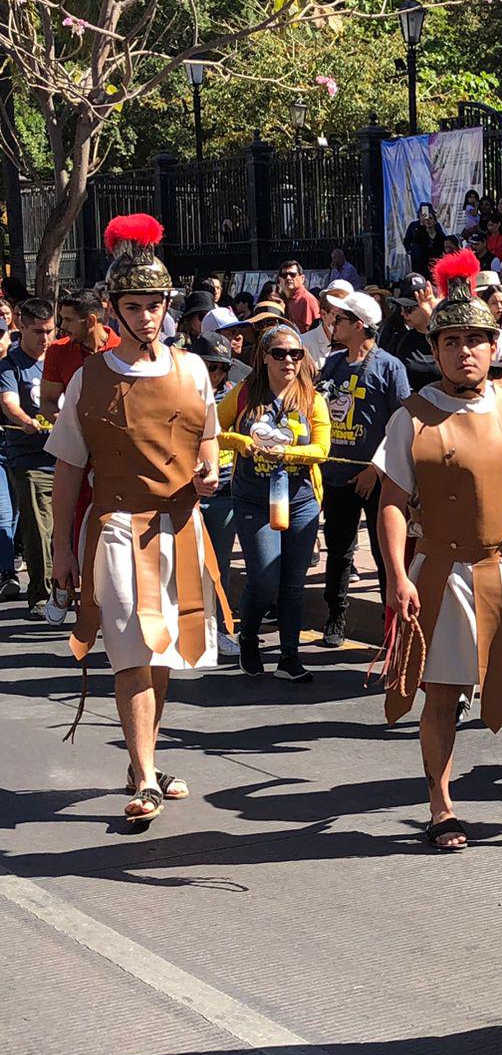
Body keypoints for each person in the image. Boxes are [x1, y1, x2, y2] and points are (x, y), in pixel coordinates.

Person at [46, 214, 232, 826]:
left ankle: (140, 760)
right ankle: (148, 778)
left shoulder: (194, 370)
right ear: (113, 308)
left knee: (162, 655)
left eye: (156, 304)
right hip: (118, 529)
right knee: (129, 649)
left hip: (179, 529)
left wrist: (208, 474)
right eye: (136, 304)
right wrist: (62, 554)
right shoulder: (86, 379)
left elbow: (208, 444)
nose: (148, 315)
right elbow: (70, 468)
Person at [376, 250, 502, 851]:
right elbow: (392, 502)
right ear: (436, 348)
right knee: (443, 694)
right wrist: (398, 575)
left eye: (476, 339)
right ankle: (442, 807)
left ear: (494, 346)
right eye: (452, 340)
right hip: (444, 571)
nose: (465, 350)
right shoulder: (411, 418)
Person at [217, 324, 330, 680]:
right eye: (279, 353)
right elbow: (211, 432)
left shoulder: (312, 398)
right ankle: (248, 637)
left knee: (294, 582)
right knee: (265, 576)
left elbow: (322, 450)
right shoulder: (244, 394)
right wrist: (238, 441)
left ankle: (289, 656)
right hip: (253, 498)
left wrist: (289, 453)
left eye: (295, 354)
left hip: (300, 499)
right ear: (264, 358)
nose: (288, 361)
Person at [316, 288, 411, 647]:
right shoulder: (333, 363)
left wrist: (376, 468)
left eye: (339, 319)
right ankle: (335, 617)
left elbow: (403, 424)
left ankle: (394, 629)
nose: (332, 323)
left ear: (359, 325)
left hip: (377, 478)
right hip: (337, 475)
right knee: (338, 550)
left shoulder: (389, 366)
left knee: (386, 552)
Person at [188, 331, 252, 656]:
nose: (216, 374)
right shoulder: (181, 393)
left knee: (219, 565)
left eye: (223, 368)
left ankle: (222, 627)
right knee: (185, 565)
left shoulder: (233, 394)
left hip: (225, 490)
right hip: (188, 493)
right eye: (210, 366)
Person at [1, 298, 56, 616]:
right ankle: (40, 594)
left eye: (49, 331)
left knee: (64, 530)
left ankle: (66, 589)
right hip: (30, 459)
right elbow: (9, 402)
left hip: (65, 457)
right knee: (37, 528)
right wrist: (26, 422)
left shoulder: (59, 359)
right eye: (37, 331)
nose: (44, 338)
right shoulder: (10, 365)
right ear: (20, 327)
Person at [41, 291, 118, 417]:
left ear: (90, 321)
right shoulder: (58, 351)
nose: (63, 326)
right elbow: (48, 402)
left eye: (68, 320)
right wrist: (70, 428)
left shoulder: (122, 350)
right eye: (62, 319)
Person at [301, 280, 354, 371]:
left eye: (350, 314)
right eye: (337, 315)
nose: (345, 320)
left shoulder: (357, 343)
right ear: (323, 314)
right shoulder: (303, 345)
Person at [404, 203, 449, 277]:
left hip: (432, 259)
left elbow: (442, 238)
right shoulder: (413, 225)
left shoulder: (435, 225)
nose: (426, 217)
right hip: (418, 259)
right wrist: (410, 250)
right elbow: (407, 240)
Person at [275, 261, 319, 334]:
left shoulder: (307, 300)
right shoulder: (281, 298)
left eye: (292, 274)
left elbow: (314, 332)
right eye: (284, 275)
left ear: (302, 278)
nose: (288, 278)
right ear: (280, 280)